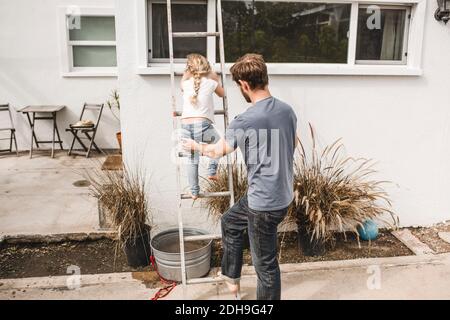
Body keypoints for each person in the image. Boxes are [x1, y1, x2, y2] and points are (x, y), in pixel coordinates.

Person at [182, 53, 297, 300]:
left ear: (244, 85)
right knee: (230, 221)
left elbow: (216, 151)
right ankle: (231, 277)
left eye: (238, 86)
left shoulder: (245, 120)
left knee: (265, 266)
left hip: (263, 205)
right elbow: (293, 142)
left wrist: (195, 146)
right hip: (281, 195)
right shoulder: (287, 111)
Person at [180, 53, 224, 200]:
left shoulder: (185, 84)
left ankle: (194, 191)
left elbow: (182, 82)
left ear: (189, 69)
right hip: (202, 124)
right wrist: (215, 77)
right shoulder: (211, 83)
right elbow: (223, 94)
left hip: (185, 125)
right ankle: (212, 171)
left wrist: (187, 73)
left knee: (192, 159)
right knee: (221, 145)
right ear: (207, 68)